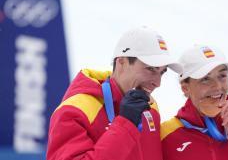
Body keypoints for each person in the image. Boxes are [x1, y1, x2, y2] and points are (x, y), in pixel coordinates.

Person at [46, 26, 182, 160]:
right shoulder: (74, 111)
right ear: (121, 62)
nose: (157, 83)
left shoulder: (150, 108)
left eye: (162, 73)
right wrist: (125, 123)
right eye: (151, 69)